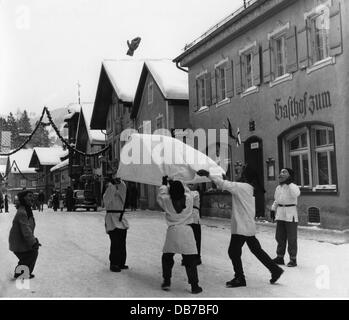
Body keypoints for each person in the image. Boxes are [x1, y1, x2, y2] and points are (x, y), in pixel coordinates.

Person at [197, 166, 284, 288]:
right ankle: (275, 269)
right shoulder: (249, 188)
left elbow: (223, 184)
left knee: (233, 252)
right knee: (256, 250)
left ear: (246, 176)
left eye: (242, 173)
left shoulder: (242, 187)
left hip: (241, 227)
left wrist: (209, 174)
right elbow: (230, 185)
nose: (240, 175)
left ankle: (240, 277)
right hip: (247, 225)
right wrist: (227, 180)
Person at [157, 176, 202, 294]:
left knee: (167, 258)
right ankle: (194, 286)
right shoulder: (189, 198)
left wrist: (164, 184)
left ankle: (166, 281)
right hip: (187, 231)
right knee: (190, 261)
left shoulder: (167, 200)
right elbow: (187, 190)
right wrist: (179, 182)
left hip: (173, 231)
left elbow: (161, 195)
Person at [270, 168, 301, 267]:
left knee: (292, 238)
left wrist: (289, 183)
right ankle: (280, 257)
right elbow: (277, 200)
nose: (281, 174)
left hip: (290, 214)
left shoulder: (293, 186)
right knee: (279, 236)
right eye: (281, 172)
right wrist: (273, 209)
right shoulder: (279, 187)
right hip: (280, 214)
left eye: (284, 172)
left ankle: (293, 259)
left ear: (289, 175)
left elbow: (296, 194)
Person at [9, 190, 41, 279]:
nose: (32, 198)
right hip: (18, 242)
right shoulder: (22, 212)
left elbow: (28, 229)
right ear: (24, 198)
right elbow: (26, 230)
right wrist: (33, 242)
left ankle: (22, 273)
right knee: (30, 254)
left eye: (32, 196)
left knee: (30, 254)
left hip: (21, 240)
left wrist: (34, 240)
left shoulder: (26, 209)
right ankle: (20, 274)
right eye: (29, 196)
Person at [103, 177, 129, 272]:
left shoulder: (120, 195)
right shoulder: (106, 196)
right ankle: (114, 263)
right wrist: (112, 184)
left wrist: (120, 182)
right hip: (112, 220)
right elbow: (110, 192)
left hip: (121, 219)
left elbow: (123, 189)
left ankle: (121, 262)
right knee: (115, 242)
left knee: (122, 242)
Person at [184, 183, 202, 265]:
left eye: (192, 184)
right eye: (188, 184)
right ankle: (187, 257)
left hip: (195, 219)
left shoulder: (195, 193)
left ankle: (197, 258)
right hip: (187, 219)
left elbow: (190, 198)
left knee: (196, 239)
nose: (190, 186)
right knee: (187, 239)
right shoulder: (186, 194)